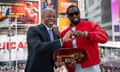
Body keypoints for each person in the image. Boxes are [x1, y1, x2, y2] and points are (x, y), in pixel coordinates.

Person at [60, 5, 109, 72]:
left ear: (79, 14)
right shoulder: (64, 33)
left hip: (92, 67)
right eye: (71, 14)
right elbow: (63, 54)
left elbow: (105, 37)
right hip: (74, 69)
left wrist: (86, 34)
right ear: (68, 17)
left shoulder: (90, 25)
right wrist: (68, 62)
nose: (74, 15)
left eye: (76, 13)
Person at [25, 8, 72, 72]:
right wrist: (61, 40)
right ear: (42, 17)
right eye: (49, 16)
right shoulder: (33, 30)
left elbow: (54, 53)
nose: (52, 18)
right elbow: (38, 47)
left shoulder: (55, 34)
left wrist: (58, 63)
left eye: (54, 17)